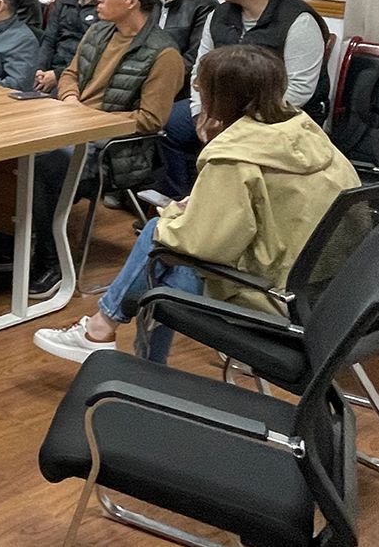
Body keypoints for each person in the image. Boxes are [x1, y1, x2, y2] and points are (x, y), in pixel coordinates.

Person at [32, 45, 358, 365]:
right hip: (333, 294)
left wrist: (175, 214)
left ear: (221, 97)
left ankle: (105, 336)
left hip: (270, 297)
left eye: (202, 90)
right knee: (161, 251)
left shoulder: (236, 157)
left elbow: (205, 246)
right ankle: (110, 339)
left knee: (159, 249)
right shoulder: (307, 136)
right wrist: (205, 204)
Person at [25, 0, 182, 298]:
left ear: (131, 2)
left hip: (114, 149)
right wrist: (70, 100)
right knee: (14, 152)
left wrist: (91, 121)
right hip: (71, 124)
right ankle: (5, 246)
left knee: (45, 163)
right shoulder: (98, 32)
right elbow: (69, 74)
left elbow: (150, 120)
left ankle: (50, 262)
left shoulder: (164, 54)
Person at [160, 0, 331, 197]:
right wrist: (200, 111)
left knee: (237, 144)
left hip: (278, 115)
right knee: (169, 124)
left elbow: (300, 90)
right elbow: (201, 71)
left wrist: (242, 121)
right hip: (223, 106)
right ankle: (181, 201)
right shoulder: (219, 15)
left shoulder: (299, 21)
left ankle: (229, 203)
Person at [34, 0, 118, 92]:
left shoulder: (107, 10)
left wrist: (58, 75)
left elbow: (94, 54)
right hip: (49, 73)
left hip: (81, 78)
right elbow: (49, 40)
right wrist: (40, 70)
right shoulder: (65, 1)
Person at [145, 0, 216, 101]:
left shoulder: (203, 5)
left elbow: (193, 59)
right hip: (143, 82)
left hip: (177, 91)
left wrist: (156, 80)